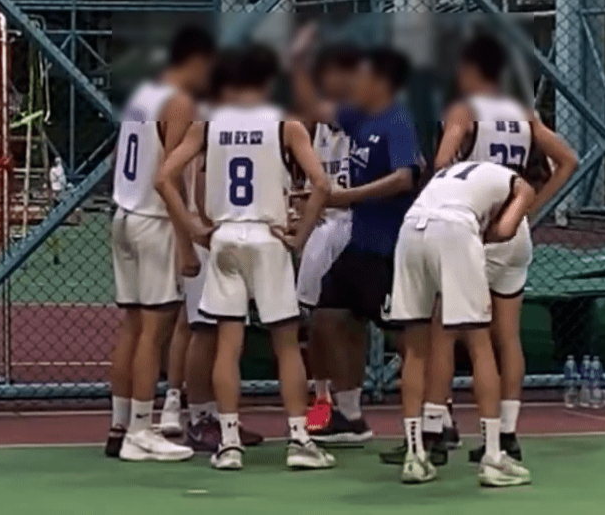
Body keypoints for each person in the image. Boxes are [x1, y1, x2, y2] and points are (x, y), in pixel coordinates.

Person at [396, 31, 577, 467]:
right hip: (515, 225)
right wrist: (530, 205)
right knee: (506, 336)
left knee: (444, 329)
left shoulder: (464, 109)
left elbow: (442, 163)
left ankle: (436, 427)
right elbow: (568, 161)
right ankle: (507, 431)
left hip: (475, 225)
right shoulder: (523, 113)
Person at [156, 43, 335, 472]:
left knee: (227, 343)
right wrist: (300, 236)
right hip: (267, 237)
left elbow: (164, 178)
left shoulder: (207, 124)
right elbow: (322, 184)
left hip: (224, 238)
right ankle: (299, 438)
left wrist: (194, 227)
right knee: (286, 344)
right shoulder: (285, 125)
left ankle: (229, 442)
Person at [106, 23, 215, 462]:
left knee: (132, 327)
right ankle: (140, 430)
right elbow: (169, 177)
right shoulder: (179, 101)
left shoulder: (142, 96)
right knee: (155, 332)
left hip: (123, 214)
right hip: (153, 221)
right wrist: (187, 241)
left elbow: (120, 158)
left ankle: (119, 426)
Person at [389, 160, 535, 487]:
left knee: (415, 347)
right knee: (480, 342)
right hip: (455, 230)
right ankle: (493, 456)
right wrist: (480, 238)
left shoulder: (455, 173)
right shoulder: (517, 183)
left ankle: (415, 454)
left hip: (410, 229)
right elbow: (505, 230)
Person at [307, 46, 424, 444]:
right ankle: (349, 415)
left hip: (388, 250)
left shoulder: (397, 120)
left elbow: (405, 177)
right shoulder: (358, 116)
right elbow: (318, 107)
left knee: (405, 338)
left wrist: (349, 196)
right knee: (328, 318)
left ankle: (435, 419)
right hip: (357, 247)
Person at [159, 50, 264, 451]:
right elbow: (195, 181)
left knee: (214, 328)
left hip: (217, 233)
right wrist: (196, 232)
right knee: (206, 329)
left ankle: (215, 416)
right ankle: (200, 416)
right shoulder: (208, 122)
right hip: (211, 234)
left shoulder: (222, 121)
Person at [289, 30, 362, 431]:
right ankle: (322, 399)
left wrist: (299, 60)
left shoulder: (358, 116)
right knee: (317, 319)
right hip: (326, 224)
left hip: (354, 223)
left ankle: (350, 404)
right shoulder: (317, 125)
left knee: (352, 323)